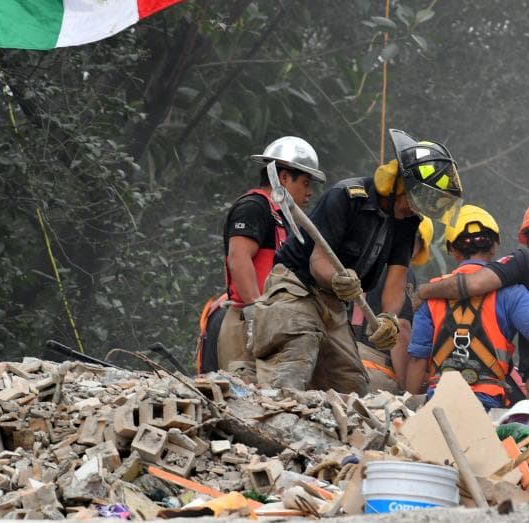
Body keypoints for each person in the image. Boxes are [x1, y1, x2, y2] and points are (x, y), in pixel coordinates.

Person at [250, 129, 463, 394]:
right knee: (297, 354)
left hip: (334, 302)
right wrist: (337, 278)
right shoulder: (347, 197)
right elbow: (318, 262)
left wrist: (389, 318)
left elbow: (396, 280)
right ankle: (273, 406)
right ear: (397, 182)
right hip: (296, 287)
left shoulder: (408, 223)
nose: (415, 208)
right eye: (415, 198)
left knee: (352, 384)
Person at [406, 205, 529, 410]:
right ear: (494, 246)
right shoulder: (511, 292)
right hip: (487, 401)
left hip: (438, 399)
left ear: (451, 249)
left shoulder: (430, 295)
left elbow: (418, 360)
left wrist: (407, 404)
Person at [195, 136, 325, 375]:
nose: (309, 192)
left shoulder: (286, 218)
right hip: (247, 322)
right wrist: (257, 311)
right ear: (283, 178)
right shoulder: (254, 207)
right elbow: (238, 258)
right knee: (241, 393)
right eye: (305, 183)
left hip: (273, 323)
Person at [352, 218, 433, 393]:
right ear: (416, 243)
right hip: (373, 374)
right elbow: (400, 331)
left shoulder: (359, 262)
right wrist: (408, 389)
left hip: (339, 366)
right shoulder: (400, 273)